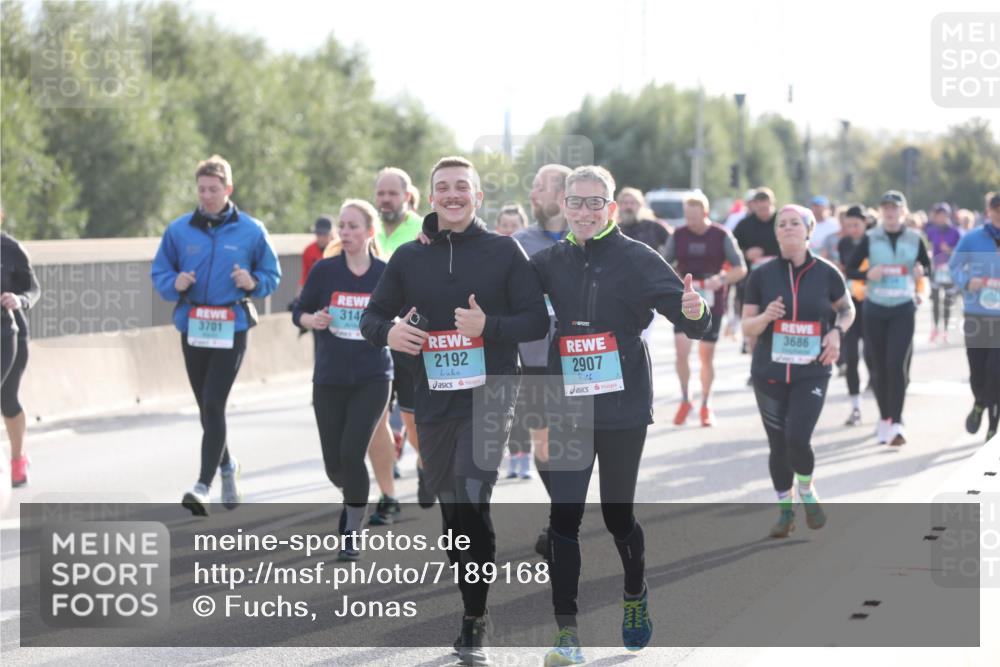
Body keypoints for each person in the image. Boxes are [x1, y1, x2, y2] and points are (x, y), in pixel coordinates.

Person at [360, 156, 549, 666]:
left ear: (478, 196)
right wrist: (390, 333)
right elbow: (371, 317)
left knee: (472, 495)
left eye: (462, 187)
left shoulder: (503, 251)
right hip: (433, 399)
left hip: (492, 394)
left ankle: (474, 619)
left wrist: (489, 326)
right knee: (453, 517)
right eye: (442, 187)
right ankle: (473, 603)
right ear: (432, 196)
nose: (452, 195)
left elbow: (535, 320)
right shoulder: (408, 258)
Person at [530, 165, 711, 665]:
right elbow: (513, 308)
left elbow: (694, 322)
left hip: (622, 405)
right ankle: (567, 635)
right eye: (576, 201)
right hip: (567, 400)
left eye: (595, 203)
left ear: (611, 209)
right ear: (563, 206)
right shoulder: (548, 261)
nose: (585, 211)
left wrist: (695, 310)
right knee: (562, 517)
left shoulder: (639, 259)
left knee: (616, 514)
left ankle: (635, 592)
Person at [151, 155, 281, 516]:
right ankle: (228, 466)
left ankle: (202, 485)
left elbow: (272, 274)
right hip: (194, 324)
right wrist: (173, 283)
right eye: (202, 189)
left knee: (213, 403)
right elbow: (160, 271)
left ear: (228, 190)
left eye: (214, 189)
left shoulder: (252, 231)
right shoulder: (179, 230)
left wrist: (252, 282)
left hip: (232, 325)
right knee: (206, 408)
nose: (207, 196)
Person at [742, 204, 855, 538]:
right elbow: (748, 325)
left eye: (795, 223)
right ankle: (785, 512)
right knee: (778, 446)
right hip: (770, 372)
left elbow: (847, 310)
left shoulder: (826, 272)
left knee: (797, 439)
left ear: (809, 230)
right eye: (782, 224)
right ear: (776, 232)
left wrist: (837, 332)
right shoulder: (762, 274)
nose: (788, 228)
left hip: (812, 371)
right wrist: (766, 317)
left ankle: (806, 489)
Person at [293, 200, 392, 560]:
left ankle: (352, 530)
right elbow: (298, 311)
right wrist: (311, 320)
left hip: (373, 377)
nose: (346, 232)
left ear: (369, 232)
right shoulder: (324, 272)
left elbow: (405, 314)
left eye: (353, 226)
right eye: (342, 226)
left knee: (353, 453)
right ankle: (353, 492)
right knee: (334, 463)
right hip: (329, 378)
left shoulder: (385, 273)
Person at [514, 164, 572, 554]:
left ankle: (566, 522)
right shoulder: (519, 242)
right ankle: (562, 521)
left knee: (577, 446)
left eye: (540, 188)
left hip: (582, 359)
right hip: (534, 358)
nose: (533, 195)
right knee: (546, 446)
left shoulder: (590, 238)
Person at [844, 190, 931, 446]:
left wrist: (921, 271)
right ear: (881, 212)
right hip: (876, 309)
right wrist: (868, 273)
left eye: (895, 208)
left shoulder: (915, 238)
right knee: (878, 367)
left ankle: (897, 422)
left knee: (897, 366)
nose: (890, 213)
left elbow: (928, 267)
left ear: (903, 212)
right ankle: (884, 418)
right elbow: (850, 269)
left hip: (903, 309)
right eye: (886, 208)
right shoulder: (871, 238)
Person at [369, 166, 426, 521]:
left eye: (392, 193)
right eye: (380, 193)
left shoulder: (422, 231)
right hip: (372, 340)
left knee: (412, 420)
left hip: (410, 340)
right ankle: (388, 496)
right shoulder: (365, 231)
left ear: (407, 196)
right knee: (377, 421)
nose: (385, 199)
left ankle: (425, 460)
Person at [663, 192, 746, 426]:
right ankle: (685, 398)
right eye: (687, 217)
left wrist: (721, 278)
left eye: (695, 218)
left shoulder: (721, 235)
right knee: (681, 351)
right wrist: (674, 278)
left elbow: (740, 269)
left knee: (706, 355)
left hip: (712, 298)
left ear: (706, 214)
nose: (691, 222)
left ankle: (706, 403)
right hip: (685, 297)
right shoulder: (677, 235)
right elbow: (663, 264)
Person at [951, 192, 1000, 442]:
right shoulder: (972, 238)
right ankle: (979, 403)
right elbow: (954, 266)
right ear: (989, 211)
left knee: (996, 371)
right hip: (977, 314)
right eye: (997, 209)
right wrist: (968, 281)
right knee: (978, 372)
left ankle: (993, 427)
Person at [1, 212, 41, 487]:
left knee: (8, 400)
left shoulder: (12, 250)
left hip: (11, 333)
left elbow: (33, 289)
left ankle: (17, 458)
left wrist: (19, 298)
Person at [837, 205, 874, 426]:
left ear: (865, 223)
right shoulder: (843, 244)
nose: (852, 229)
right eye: (848, 225)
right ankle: (856, 407)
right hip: (850, 305)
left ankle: (884, 411)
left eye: (856, 225)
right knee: (851, 358)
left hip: (872, 304)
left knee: (872, 357)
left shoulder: (874, 242)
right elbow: (845, 271)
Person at [925, 202, 961, 343]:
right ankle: (935, 328)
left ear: (947, 215)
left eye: (943, 214)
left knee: (947, 300)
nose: (940, 217)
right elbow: (927, 245)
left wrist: (950, 250)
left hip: (949, 270)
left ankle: (945, 330)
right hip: (935, 269)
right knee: (934, 300)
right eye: (937, 215)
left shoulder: (955, 231)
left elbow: (961, 252)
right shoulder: (932, 230)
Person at [616, 187, 670, 253]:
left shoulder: (654, 227)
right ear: (619, 205)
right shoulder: (616, 231)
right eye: (625, 203)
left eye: (632, 203)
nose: (629, 207)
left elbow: (672, 247)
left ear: (639, 205)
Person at [296, 216, 334, 298]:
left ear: (331, 234)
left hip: (334, 291)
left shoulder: (338, 249)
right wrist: (298, 297)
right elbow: (305, 276)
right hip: (315, 291)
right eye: (319, 234)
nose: (321, 238)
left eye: (325, 234)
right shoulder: (309, 251)